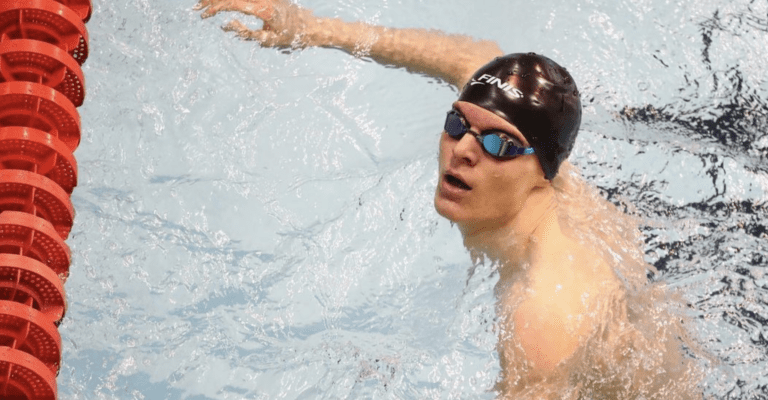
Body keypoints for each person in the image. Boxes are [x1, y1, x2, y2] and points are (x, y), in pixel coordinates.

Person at [195, 1, 705, 398]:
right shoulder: (544, 171)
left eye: (497, 144)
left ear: (542, 175)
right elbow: (468, 56)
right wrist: (307, 26)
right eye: (459, 123)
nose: (462, 150)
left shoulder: (541, 314)